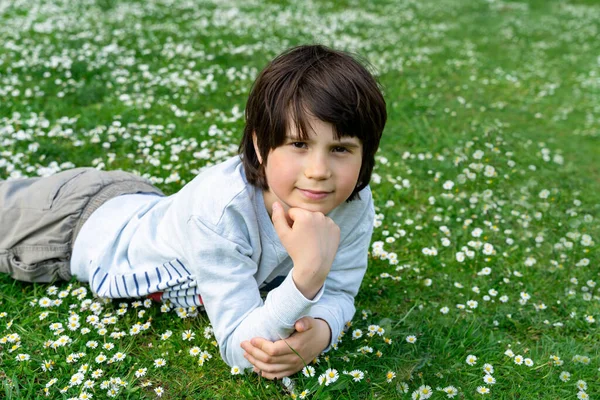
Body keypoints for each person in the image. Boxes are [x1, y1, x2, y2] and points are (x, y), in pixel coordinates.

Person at [0, 44, 387, 378]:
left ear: (365, 154)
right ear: (258, 144)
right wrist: (306, 276)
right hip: (68, 230)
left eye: (340, 149)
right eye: (298, 144)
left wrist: (322, 330)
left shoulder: (351, 201)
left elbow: (338, 291)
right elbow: (240, 347)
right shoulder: (220, 212)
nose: (319, 172)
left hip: (138, 203)